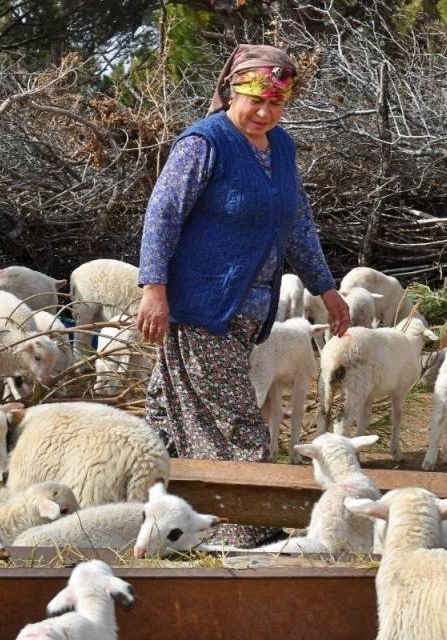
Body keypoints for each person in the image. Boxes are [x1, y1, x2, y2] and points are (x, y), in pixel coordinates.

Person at [136, 44, 350, 547]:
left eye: (276, 104)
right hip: (201, 308)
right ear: (232, 90)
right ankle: (244, 532)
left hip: (246, 316)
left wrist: (326, 287)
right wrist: (153, 288)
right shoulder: (204, 144)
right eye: (255, 100)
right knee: (234, 424)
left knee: (170, 416)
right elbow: (162, 215)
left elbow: (297, 223)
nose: (264, 113)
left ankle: (160, 524)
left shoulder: (281, 149)